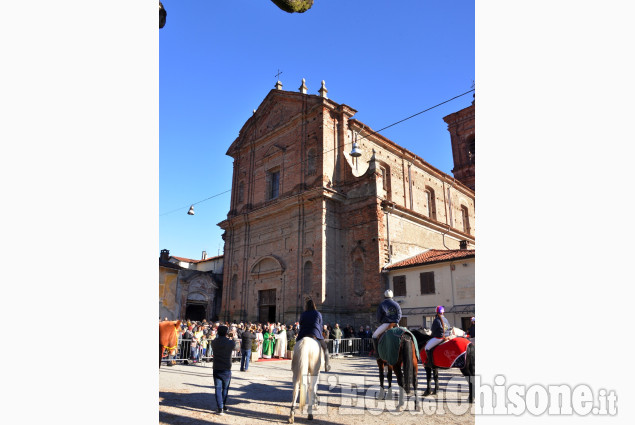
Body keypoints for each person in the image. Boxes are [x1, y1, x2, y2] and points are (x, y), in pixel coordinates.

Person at [296, 298, 331, 372]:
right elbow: (320, 324)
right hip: (315, 333)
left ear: (306, 306)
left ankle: (295, 364)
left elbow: (301, 323)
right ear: (314, 305)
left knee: (297, 346)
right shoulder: (318, 313)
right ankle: (327, 365)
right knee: (325, 348)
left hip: (304, 333)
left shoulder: (303, 314)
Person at [211, 325, 238, 415]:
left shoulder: (214, 342)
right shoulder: (230, 342)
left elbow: (215, 339)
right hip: (226, 368)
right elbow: (237, 348)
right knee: (225, 388)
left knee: (218, 388)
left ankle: (220, 408)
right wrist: (234, 338)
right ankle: (223, 405)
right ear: (226, 333)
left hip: (217, 367)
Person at [371, 289, 402, 358]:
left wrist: (380, 321)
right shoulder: (397, 304)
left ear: (384, 296)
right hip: (396, 324)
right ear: (392, 296)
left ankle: (377, 354)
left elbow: (379, 317)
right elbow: (399, 315)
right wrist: (396, 321)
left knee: (374, 336)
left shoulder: (382, 304)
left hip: (386, 324)